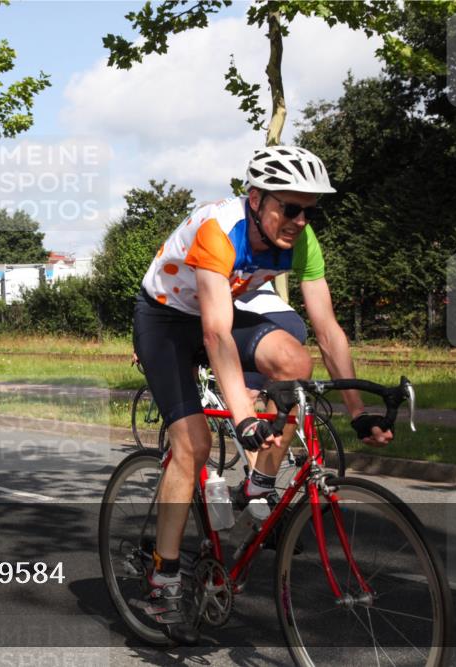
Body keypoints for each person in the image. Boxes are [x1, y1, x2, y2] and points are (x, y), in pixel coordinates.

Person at [132, 145, 393, 644]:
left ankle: (258, 485)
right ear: (255, 198)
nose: (298, 220)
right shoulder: (219, 230)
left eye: (308, 210)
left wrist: (358, 410)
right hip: (167, 319)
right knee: (193, 447)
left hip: (225, 310)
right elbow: (216, 337)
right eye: (288, 208)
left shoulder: (302, 241)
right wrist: (244, 416)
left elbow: (328, 327)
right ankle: (163, 576)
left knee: (296, 363)